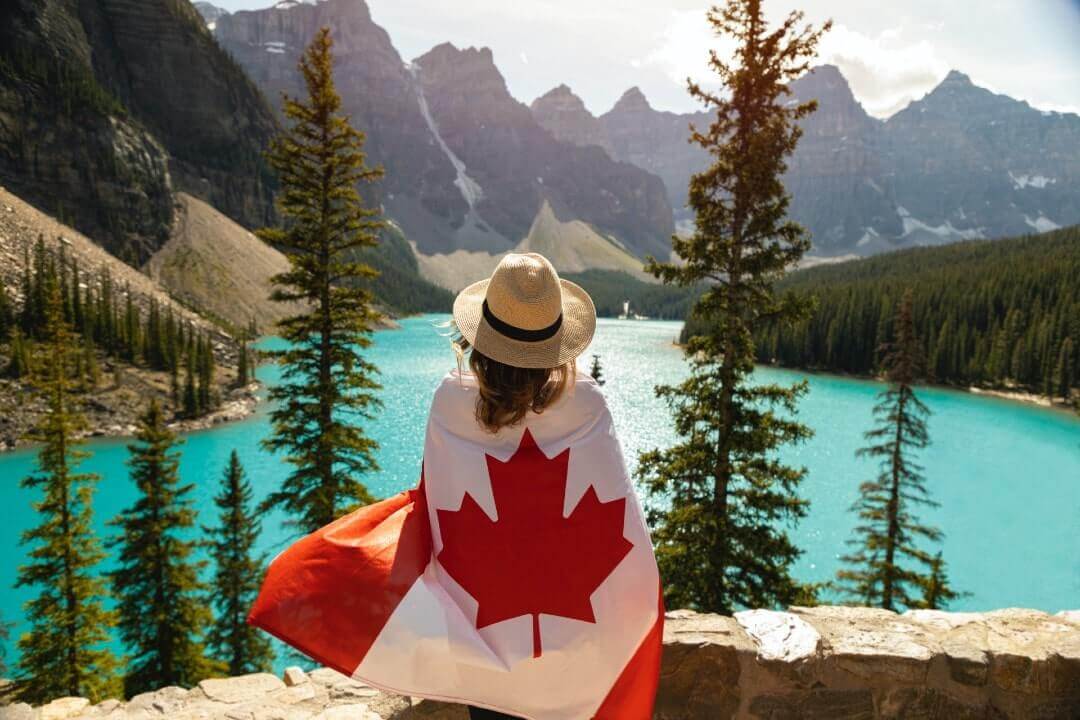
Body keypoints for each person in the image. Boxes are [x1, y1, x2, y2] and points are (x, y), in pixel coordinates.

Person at [250, 253, 663, 720]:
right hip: (579, 655)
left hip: (485, 647)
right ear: (557, 344)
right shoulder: (587, 404)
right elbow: (622, 523)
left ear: (479, 340)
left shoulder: (451, 402)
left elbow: (437, 503)